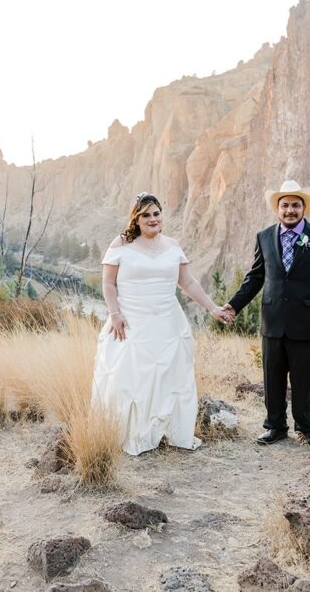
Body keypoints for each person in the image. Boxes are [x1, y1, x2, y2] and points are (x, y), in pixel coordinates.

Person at [92, 192, 231, 455]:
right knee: (131, 378)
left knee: (169, 377)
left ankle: (167, 432)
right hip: (131, 321)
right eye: (146, 214)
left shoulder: (172, 245)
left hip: (168, 322)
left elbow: (188, 283)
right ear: (136, 218)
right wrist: (114, 313)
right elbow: (108, 283)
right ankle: (131, 434)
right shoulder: (121, 244)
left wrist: (213, 308)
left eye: (156, 213)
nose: (152, 219)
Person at [224, 180, 310, 448]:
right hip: (273, 321)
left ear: (303, 208)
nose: (290, 210)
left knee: (303, 378)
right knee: (272, 377)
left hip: (306, 321)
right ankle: (275, 427)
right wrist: (234, 305)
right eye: (285, 205)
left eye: (295, 205)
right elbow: (255, 278)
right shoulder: (264, 236)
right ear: (277, 208)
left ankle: (305, 428)